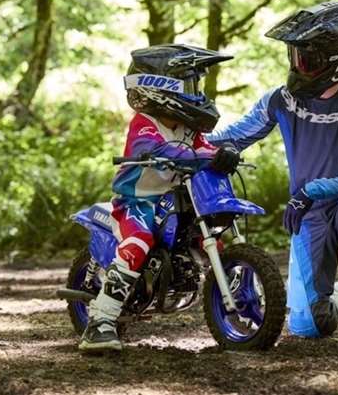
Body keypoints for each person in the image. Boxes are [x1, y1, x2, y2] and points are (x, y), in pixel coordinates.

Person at [208, 1, 338, 344]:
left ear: (337, 60)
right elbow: (234, 135)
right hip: (308, 216)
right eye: (294, 56)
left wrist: (312, 190)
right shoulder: (281, 99)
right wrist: (178, 144)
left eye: (307, 58)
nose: (297, 65)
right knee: (308, 327)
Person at [79, 44, 241, 352]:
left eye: (197, 85)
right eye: (190, 85)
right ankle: (100, 322)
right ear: (162, 89)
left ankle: (234, 292)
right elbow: (155, 148)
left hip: (177, 199)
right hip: (138, 202)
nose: (197, 92)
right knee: (138, 242)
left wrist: (224, 153)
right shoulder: (144, 124)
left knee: (209, 239)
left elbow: (202, 148)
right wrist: (202, 155)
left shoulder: (187, 127)